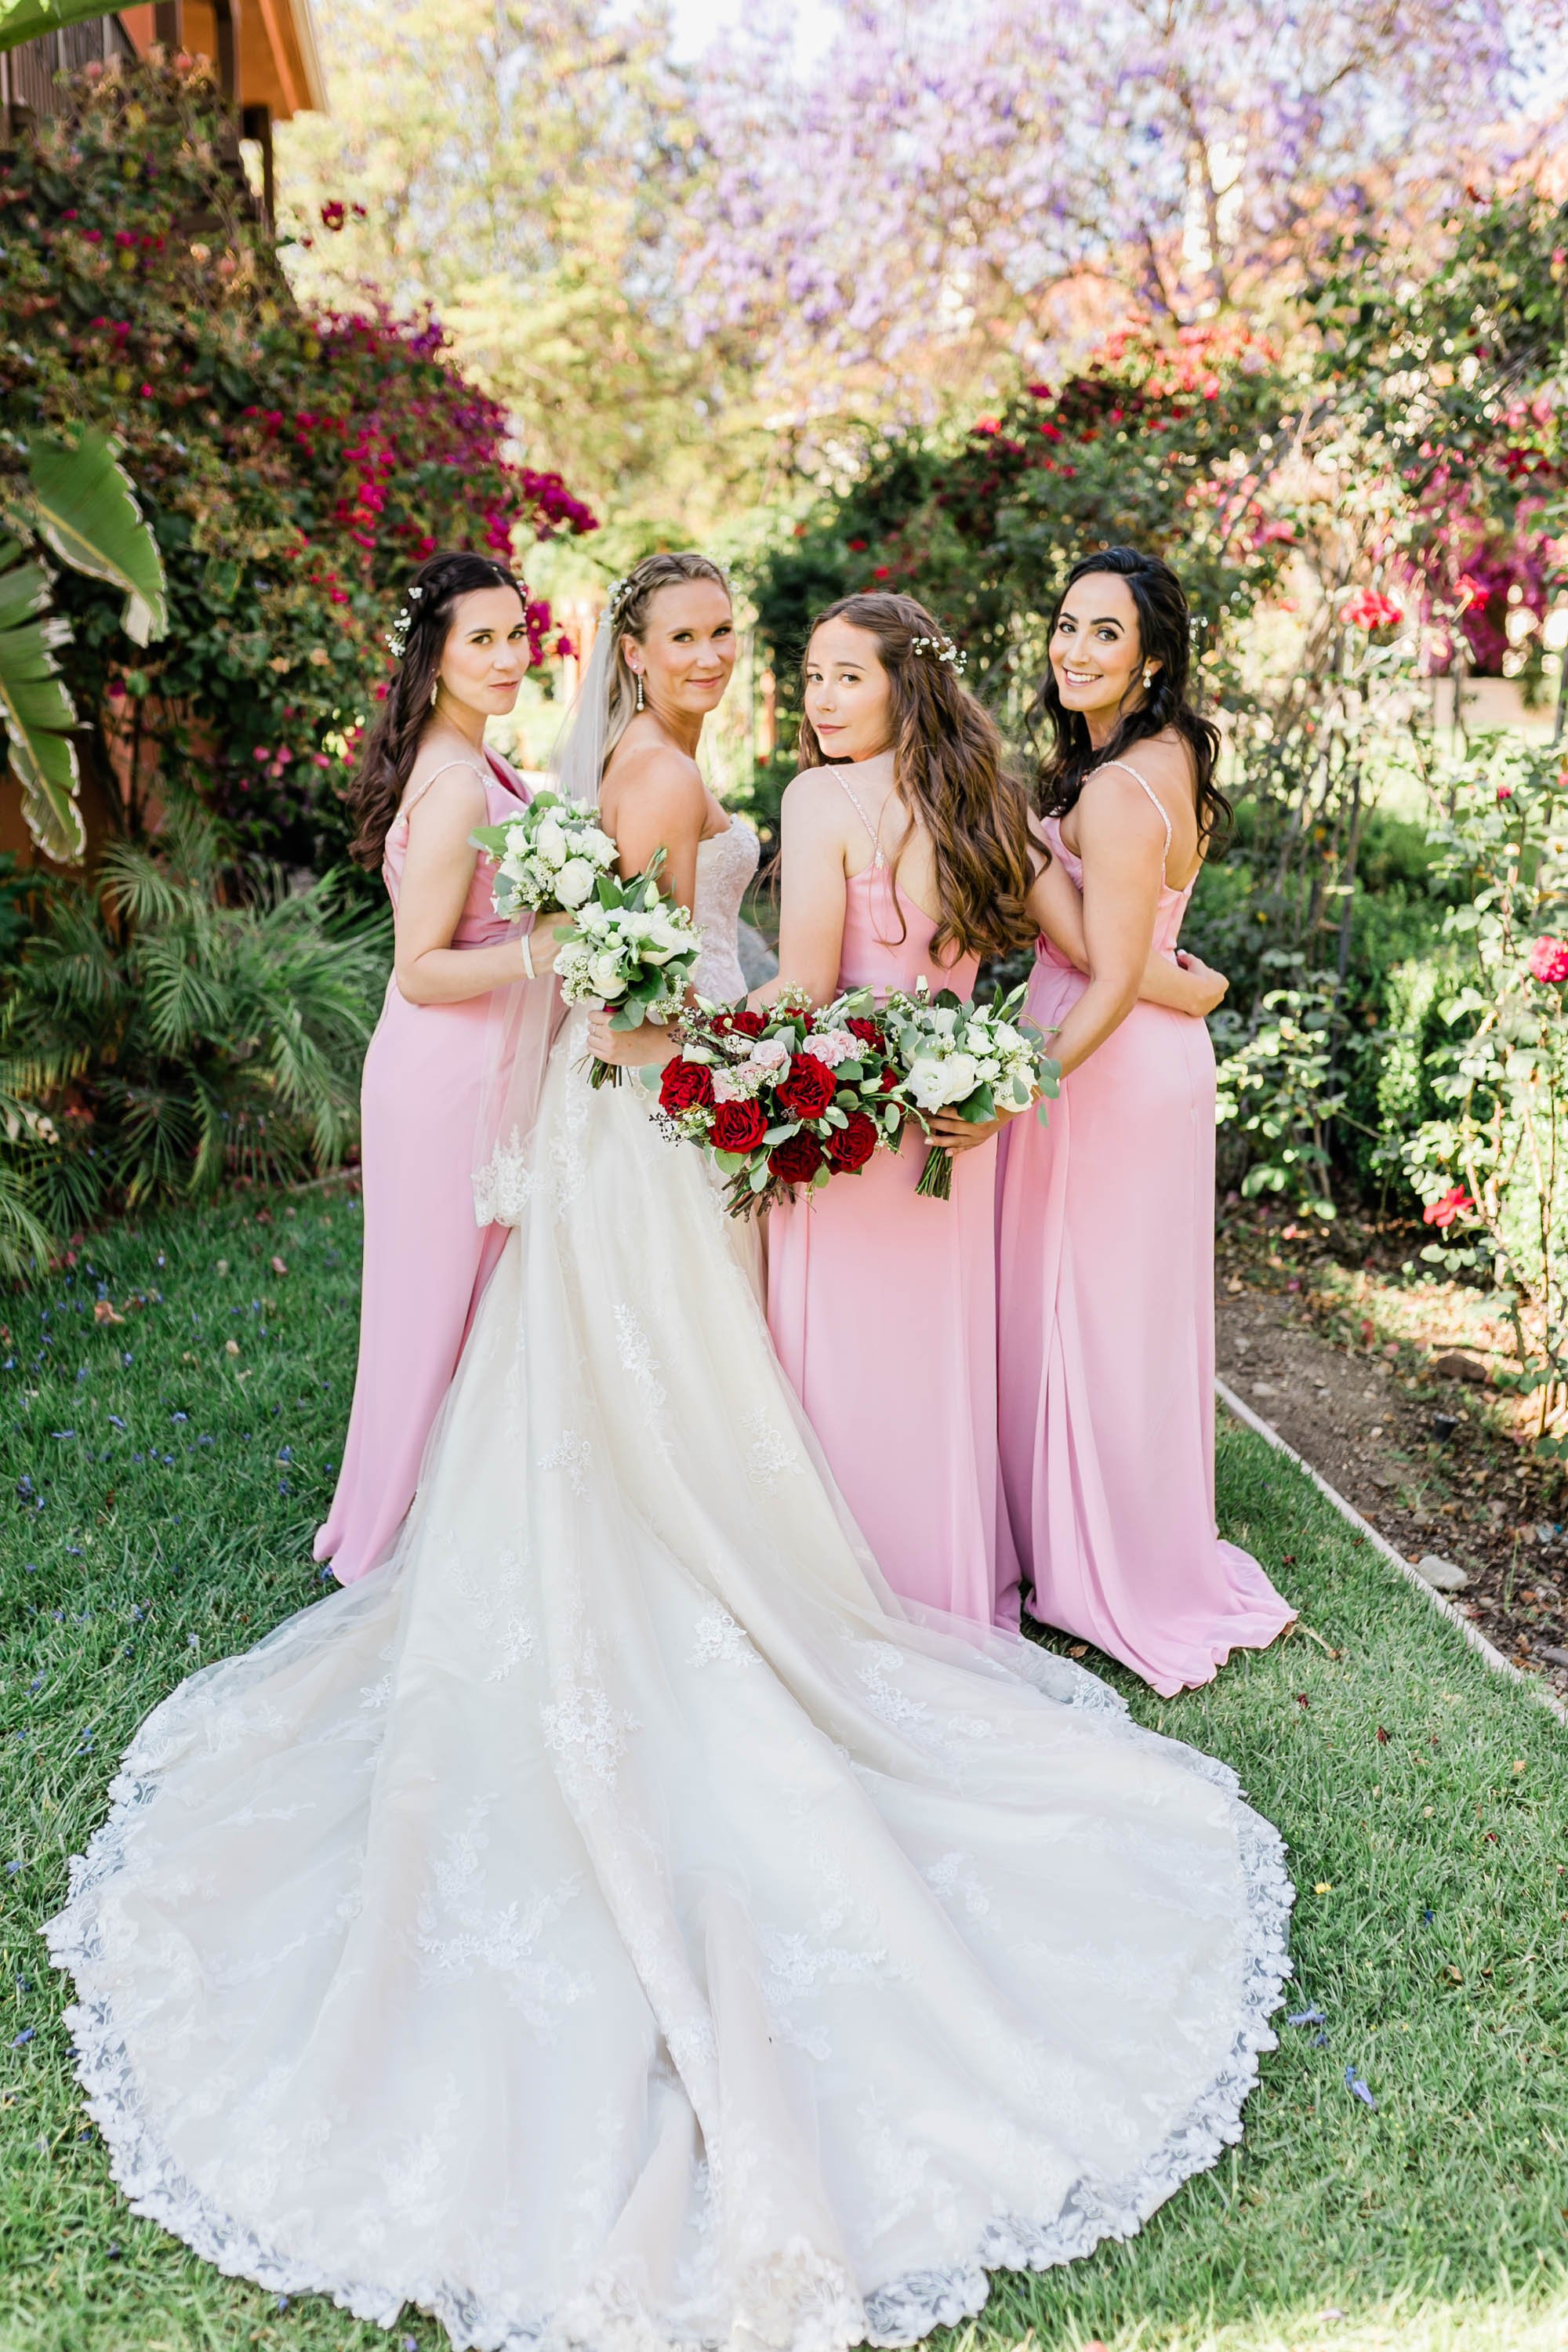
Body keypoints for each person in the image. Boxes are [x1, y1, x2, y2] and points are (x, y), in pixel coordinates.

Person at [48, 554, 1291, 2352]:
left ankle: (737, 1562)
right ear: (632, 652)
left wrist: (763, 1049)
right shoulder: (670, 776)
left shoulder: (725, 781)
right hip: (649, 1113)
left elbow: (731, 961)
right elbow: (627, 977)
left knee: (690, 1386)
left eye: (741, 639)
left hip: (675, 1107)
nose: (727, 662)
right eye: (692, 635)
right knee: (648, 1389)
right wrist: (726, 1051)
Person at [764, 591, 1228, 1628]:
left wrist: (692, 1025)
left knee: (849, 1359)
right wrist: (1189, 985)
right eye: (814, 677)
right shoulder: (992, 802)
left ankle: (841, 1580)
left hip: (854, 1117)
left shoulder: (817, 801)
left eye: (848, 675)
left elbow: (798, 996)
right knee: (945, 1358)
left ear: (902, 681)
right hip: (954, 1127)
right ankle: (953, 1581)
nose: (825, 699)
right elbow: (1103, 949)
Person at [996, 545, 1297, 1694]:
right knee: (1118, 1313)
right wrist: (1195, 983)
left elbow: (1110, 969)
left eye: (1105, 634)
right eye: (1066, 626)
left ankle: (1102, 1562)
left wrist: (1029, 1081)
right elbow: (1148, 960)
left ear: (1154, 659)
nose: (1075, 649)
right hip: (1147, 1055)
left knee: (1096, 1314)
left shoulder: (1121, 792)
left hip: (1107, 1065)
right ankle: (1109, 1532)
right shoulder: (1152, 757)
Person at [313, 550, 562, 1587]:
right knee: (429, 1307)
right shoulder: (458, 782)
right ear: (435, 656)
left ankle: (446, 1502)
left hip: (480, 1063)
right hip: (444, 1073)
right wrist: (547, 953)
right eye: (485, 640)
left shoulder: (477, 759)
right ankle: (399, 1525)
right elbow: (418, 970)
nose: (511, 658)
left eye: (518, 635)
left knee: (469, 1304)